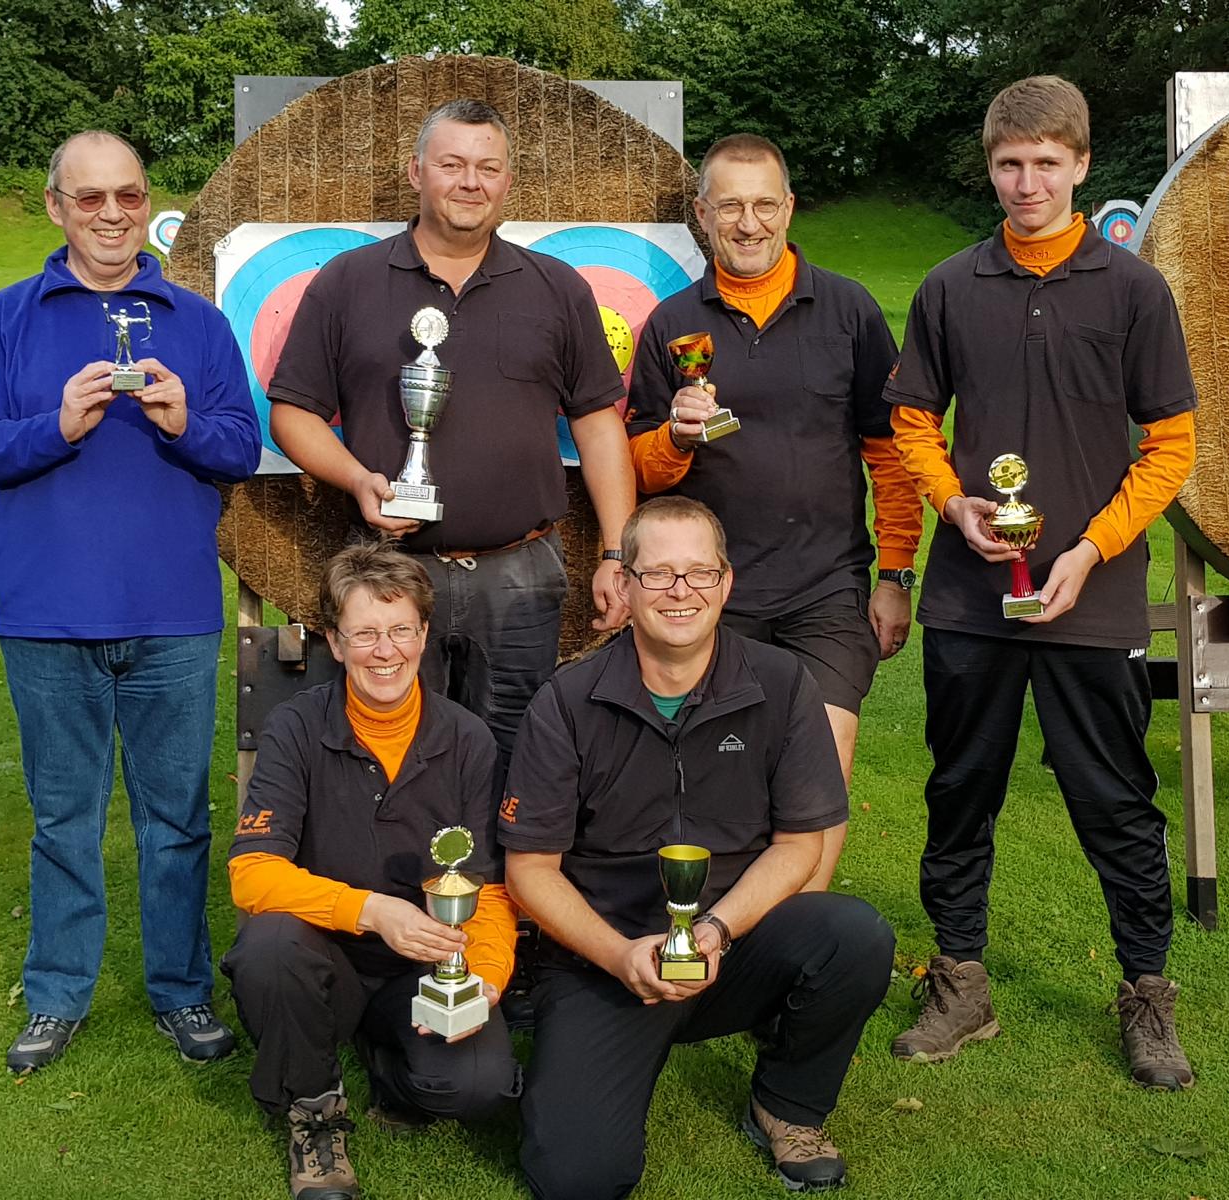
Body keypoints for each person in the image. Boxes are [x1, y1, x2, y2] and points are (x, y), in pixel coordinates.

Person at [884, 76, 1199, 1090]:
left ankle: (1146, 994)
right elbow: (910, 424)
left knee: (1115, 802)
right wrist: (952, 506)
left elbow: (1172, 445)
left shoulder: (1134, 290)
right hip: (969, 599)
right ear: (990, 167)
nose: (1028, 183)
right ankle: (960, 984)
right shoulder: (948, 286)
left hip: (1091, 599)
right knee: (958, 792)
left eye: (1047, 164)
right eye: (1010, 164)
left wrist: (1091, 549)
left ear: (1081, 166)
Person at [0, 130, 262, 1072]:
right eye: (90, 198)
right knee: (63, 820)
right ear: (55, 207)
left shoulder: (197, 321)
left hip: (172, 612)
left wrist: (186, 423)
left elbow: (241, 448)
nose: (112, 214)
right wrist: (55, 426)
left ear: (145, 202)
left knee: (178, 821)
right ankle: (56, 994)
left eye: (128, 195)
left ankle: (181, 992)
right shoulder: (6, 317)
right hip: (47, 614)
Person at [501, 497, 895, 1197]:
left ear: (726, 582)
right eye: (658, 575)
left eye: (699, 573)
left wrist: (715, 930)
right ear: (625, 586)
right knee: (578, 1177)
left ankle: (788, 1106)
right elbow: (530, 870)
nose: (680, 592)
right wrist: (619, 956)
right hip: (606, 960)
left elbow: (800, 844)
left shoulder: (782, 683)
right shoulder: (566, 700)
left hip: (732, 944)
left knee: (853, 935)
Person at [267, 98, 636, 759]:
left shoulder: (557, 288)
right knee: (392, 757)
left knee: (518, 759)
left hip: (522, 576)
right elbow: (293, 413)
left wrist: (616, 553)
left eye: (488, 168)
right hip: (391, 575)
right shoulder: (347, 282)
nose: (471, 182)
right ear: (416, 172)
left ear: (508, 181)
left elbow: (597, 423)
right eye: (452, 164)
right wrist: (357, 480)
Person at [625, 133, 921, 890]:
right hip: (707, 591)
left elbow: (890, 455)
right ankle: (717, 929)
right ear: (702, 215)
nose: (748, 223)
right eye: (730, 206)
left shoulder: (850, 311)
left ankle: (800, 937)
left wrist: (895, 575)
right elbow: (639, 467)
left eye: (764, 205)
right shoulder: (670, 323)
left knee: (820, 770)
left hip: (826, 587)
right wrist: (676, 437)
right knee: (715, 775)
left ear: (789, 208)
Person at [224, 542, 520, 1200]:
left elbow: (492, 890)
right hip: (322, 957)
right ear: (334, 641)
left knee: (478, 1086)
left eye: (400, 630)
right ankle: (314, 1112)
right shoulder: (295, 726)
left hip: (425, 967)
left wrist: (485, 980)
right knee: (269, 947)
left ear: (424, 634)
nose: (385, 651)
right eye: (364, 633)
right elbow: (251, 872)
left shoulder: (469, 740)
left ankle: (388, 1064)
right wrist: (372, 911)